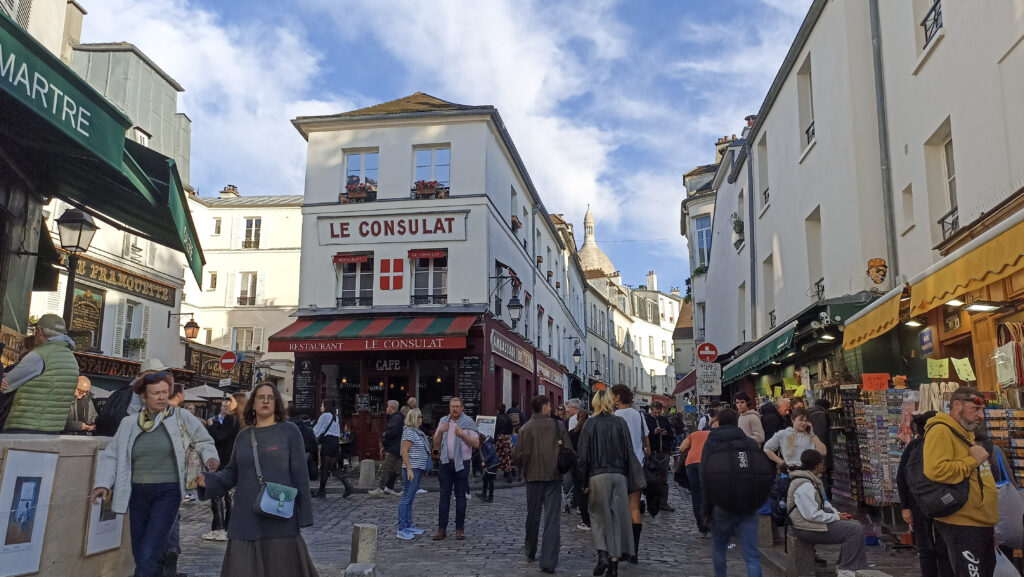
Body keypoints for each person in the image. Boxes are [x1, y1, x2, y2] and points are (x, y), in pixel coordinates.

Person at [90, 372, 219, 577]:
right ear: (144, 396)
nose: (161, 397)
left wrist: (210, 456)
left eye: (164, 393)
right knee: (141, 550)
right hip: (136, 492)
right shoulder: (130, 424)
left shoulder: (181, 417)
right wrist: (103, 483)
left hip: (168, 491)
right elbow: (112, 455)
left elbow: (203, 440)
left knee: (150, 550)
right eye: (155, 393)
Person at [196, 383, 317, 577]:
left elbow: (300, 475)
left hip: (279, 517)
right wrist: (209, 481)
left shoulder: (290, 432)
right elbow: (232, 472)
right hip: (246, 517)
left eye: (270, 397)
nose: (266, 401)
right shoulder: (243, 436)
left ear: (277, 403)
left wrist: (305, 515)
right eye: (261, 397)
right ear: (253, 404)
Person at [923, 387, 997, 577]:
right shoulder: (941, 430)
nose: (981, 415)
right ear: (957, 405)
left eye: (982, 411)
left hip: (979, 523)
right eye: (975, 409)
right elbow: (935, 470)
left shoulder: (965, 433)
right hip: (963, 523)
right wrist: (973, 460)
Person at [700, 408, 763, 577]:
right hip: (748, 503)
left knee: (720, 548)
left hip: (722, 503)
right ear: (737, 423)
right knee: (752, 555)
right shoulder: (749, 443)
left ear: (718, 422)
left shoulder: (712, 442)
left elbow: (705, 476)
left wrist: (705, 509)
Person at [577, 389, 634, 577]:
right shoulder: (620, 422)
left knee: (599, 517)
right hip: (619, 475)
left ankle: (603, 554)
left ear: (594, 404)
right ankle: (614, 563)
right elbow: (628, 452)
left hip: (597, 475)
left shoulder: (590, 424)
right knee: (617, 518)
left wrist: (582, 482)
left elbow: (583, 456)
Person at [513, 395, 572, 573]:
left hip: (532, 477)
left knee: (533, 515)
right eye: (549, 406)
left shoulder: (525, 428)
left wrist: (523, 468)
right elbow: (568, 450)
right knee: (552, 519)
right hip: (553, 477)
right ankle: (548, 560)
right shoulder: (557, 426)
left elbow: (517, 456)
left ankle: (530, 550)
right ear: (545, 407)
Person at [788, 449, 867, 576]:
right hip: (805, 528)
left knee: (853, 524)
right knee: (854, 530)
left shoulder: (811, 480)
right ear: (819, 465)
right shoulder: (805, 485)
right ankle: (847, 569)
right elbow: (812, 515)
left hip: (808, 524)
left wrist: (838, 514)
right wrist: (836, 517)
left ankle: (844, 564)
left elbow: (824, 504)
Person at [1, 314, 79, 434]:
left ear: (39, 331)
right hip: (53, 430)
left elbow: (6, 385)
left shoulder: (39, 355)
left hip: (25, 426)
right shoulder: (71, 358)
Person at [897, 411, 951, 577]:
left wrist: (905, 507)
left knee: (926, 546)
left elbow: (901, 476)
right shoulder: (940, 444)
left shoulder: (914, 445)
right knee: (943, 546)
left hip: (918, 502)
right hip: (942, 502)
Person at [610, 384, 649, 563]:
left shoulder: (614, 416)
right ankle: (634, 551)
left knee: (618, 509)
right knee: (634, 508)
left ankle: (620, 548)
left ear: (618, 397)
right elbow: (645, 438)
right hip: (637, 465)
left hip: (618, 467)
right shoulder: (638, 415)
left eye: (612, 395)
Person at [431, 397, 479, 540]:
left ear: (462, 408)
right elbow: (435, 442)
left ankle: (459, 529)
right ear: (449, 408)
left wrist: (463, 435)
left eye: (457, 406)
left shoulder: (468, 422)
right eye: (452, 406)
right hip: (445, 463)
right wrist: (440, 432)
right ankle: (442, 529)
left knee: (460, 497)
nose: (454, 409)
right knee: (444, 497)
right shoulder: (443, 421)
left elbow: (476, 443)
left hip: (462, 464)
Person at [203, 394, 243, 540]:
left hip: (224, 461)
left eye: (228, 404)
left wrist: (212, 426)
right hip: (227, 460)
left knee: (220, 496)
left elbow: (219, 437)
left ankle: (220, 528)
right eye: (223, 405)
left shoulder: (231, 419)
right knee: (225, 497)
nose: (225, 407)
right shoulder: (231, 419)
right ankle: (224, 527)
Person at [679, 408, 716, 537]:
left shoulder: (695, 434)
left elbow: (682, 447)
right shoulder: (714, 435)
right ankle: (710, 524)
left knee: (696, 495)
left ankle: (701, 527)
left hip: (691, 464)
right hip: (707, 464)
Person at [397, 408, 432, 539]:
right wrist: (409, 469)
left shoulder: (417, 433)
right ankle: (401, 528)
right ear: (415, 418)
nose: (422, 419)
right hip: (412, 468)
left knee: (410, 498)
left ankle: (408, 524)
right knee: (406, 498)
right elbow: (404, 451)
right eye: (420, 417)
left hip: (417, 467)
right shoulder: (409, 432)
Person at [313, 399, 352, 498]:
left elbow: (317, 429)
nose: (321, 407)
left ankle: (322, 491)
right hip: (335, 442)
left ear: (326, 406)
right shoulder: (335, 417)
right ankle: (347, 485)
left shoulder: (325, 416)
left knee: (325, 468)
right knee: (333, 468)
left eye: (322, 405)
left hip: (328, 442)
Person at [370, 400, 405, 497]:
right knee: (398, 469)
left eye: (387, 407)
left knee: (385, 468)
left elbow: (393, 432)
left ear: (391, 407)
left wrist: (385, 435)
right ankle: (406, 488)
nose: (386, 408)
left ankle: (380, 490)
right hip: (395, 447)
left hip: (393, 448)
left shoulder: (396, 418)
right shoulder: (397, 418)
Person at [646, 400, 675, 512]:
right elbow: (644, 436)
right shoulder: (646, 420)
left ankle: (663, 502)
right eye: (655, 413)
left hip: (664, 452)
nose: (657, 415)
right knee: (651, 479)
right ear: (651, 411)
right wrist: (654, 433)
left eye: (659, 412)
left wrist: (666, 433)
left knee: (663, 479)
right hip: (652, 453)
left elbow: (671, 435)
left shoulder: (664, 420)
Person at [568, 409, 591, 530]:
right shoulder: (590, 432)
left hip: (577, 466)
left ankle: (584, 519)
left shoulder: (572, 433)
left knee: (580, 492)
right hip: (590, 465)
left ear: (577, 419)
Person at [495, 403, 517, 482]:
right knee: (509, 456)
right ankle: (512, 471)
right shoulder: (508, 417)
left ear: (498, 410)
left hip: (500, 439)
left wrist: (495, 439)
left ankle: (507, 473)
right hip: (508, 438)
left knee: (502, 457)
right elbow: (511, 427)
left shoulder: (497, 418)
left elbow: (496, 429)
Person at [476, 433, 499, 502]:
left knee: (490, 481)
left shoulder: (488, 444)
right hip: (489, 464)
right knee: (485, 478)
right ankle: (484, 494)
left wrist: (484, 461)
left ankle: (490, 497)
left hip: (492, 464)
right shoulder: (484, 445)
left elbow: (491, 453)